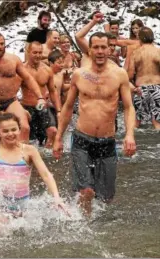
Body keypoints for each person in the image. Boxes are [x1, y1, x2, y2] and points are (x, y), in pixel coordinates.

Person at [53, 32, 136, 217]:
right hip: (82, 139)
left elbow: (129, 107)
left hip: (107, 141)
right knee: (86, 191)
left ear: (109, 49)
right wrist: (58, 138)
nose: (99, 51)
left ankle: (90, 222)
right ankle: (84, 226)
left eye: (103, 47)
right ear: (89, 50)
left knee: (106, 198)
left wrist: (129, 134)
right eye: (96, 47)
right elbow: (67, 108)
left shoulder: (119, 75)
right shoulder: (79, 75)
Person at [0, 112, 67, 223]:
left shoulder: (29, 150)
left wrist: (56, 197)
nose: (10, 134)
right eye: (5, 131)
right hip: (1, 204)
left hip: (24, 205)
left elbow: (46, 174)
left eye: (13, 130)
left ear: (19, 130)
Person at [0, 32, 46, 142]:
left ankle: (22, 156)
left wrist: (40, 97)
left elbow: (28, 78)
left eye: (2, 44)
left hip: (11, 102)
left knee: (25, 127)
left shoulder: (13, 60)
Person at [21, 42, 61, 147]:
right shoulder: (22, 69)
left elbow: (53, 91)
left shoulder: (47, 70)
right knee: (31, 141)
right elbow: (13, 91)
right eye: (35, 52)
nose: (38, 55)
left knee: (53, 131)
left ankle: (48, 158)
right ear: (28, 52)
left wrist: (59, 111)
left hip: (43, 107)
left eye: (40, 52)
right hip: (27, 107)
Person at [128, 27, 160, 129]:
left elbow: (130, 75)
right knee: (157, 123)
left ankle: (133, 141)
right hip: (157, 88)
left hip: (140, 89)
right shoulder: (158, 51)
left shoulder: (135, 53)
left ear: (140, 38)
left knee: (136, 122)